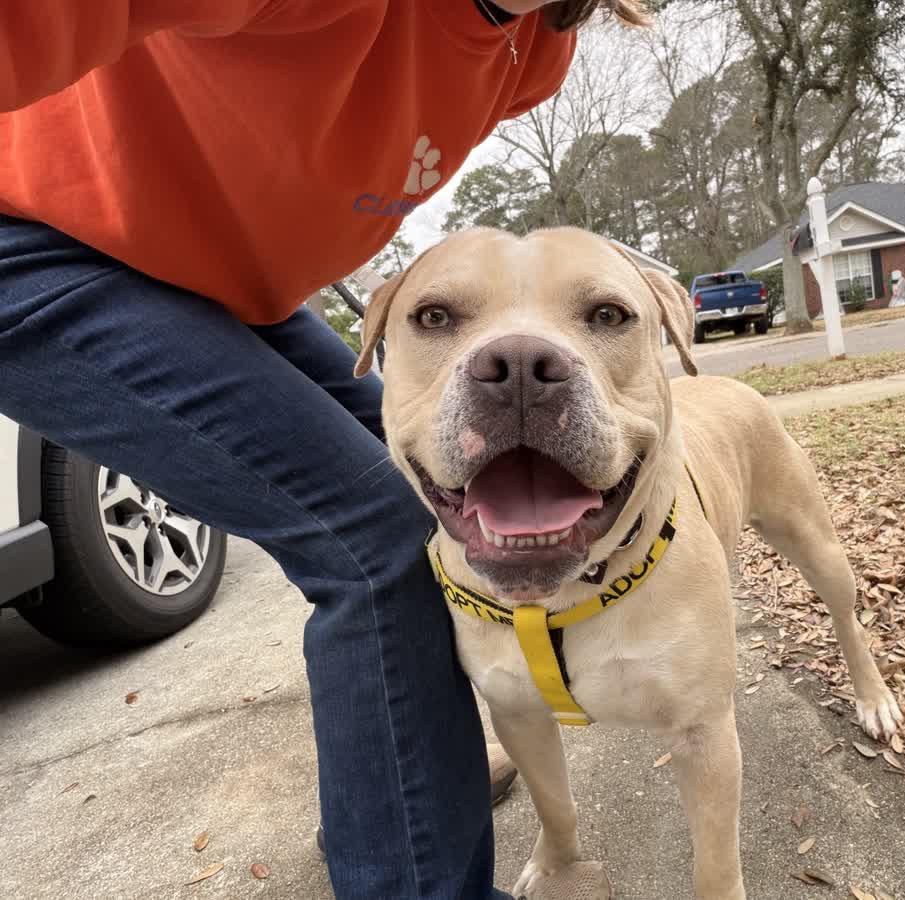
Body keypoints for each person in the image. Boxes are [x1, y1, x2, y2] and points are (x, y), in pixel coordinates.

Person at [0, 2, 647, 897]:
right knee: (375, 534)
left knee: (432, 493)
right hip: (37, 245)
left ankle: (388, 793)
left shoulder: (536, 53)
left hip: (214, 284)